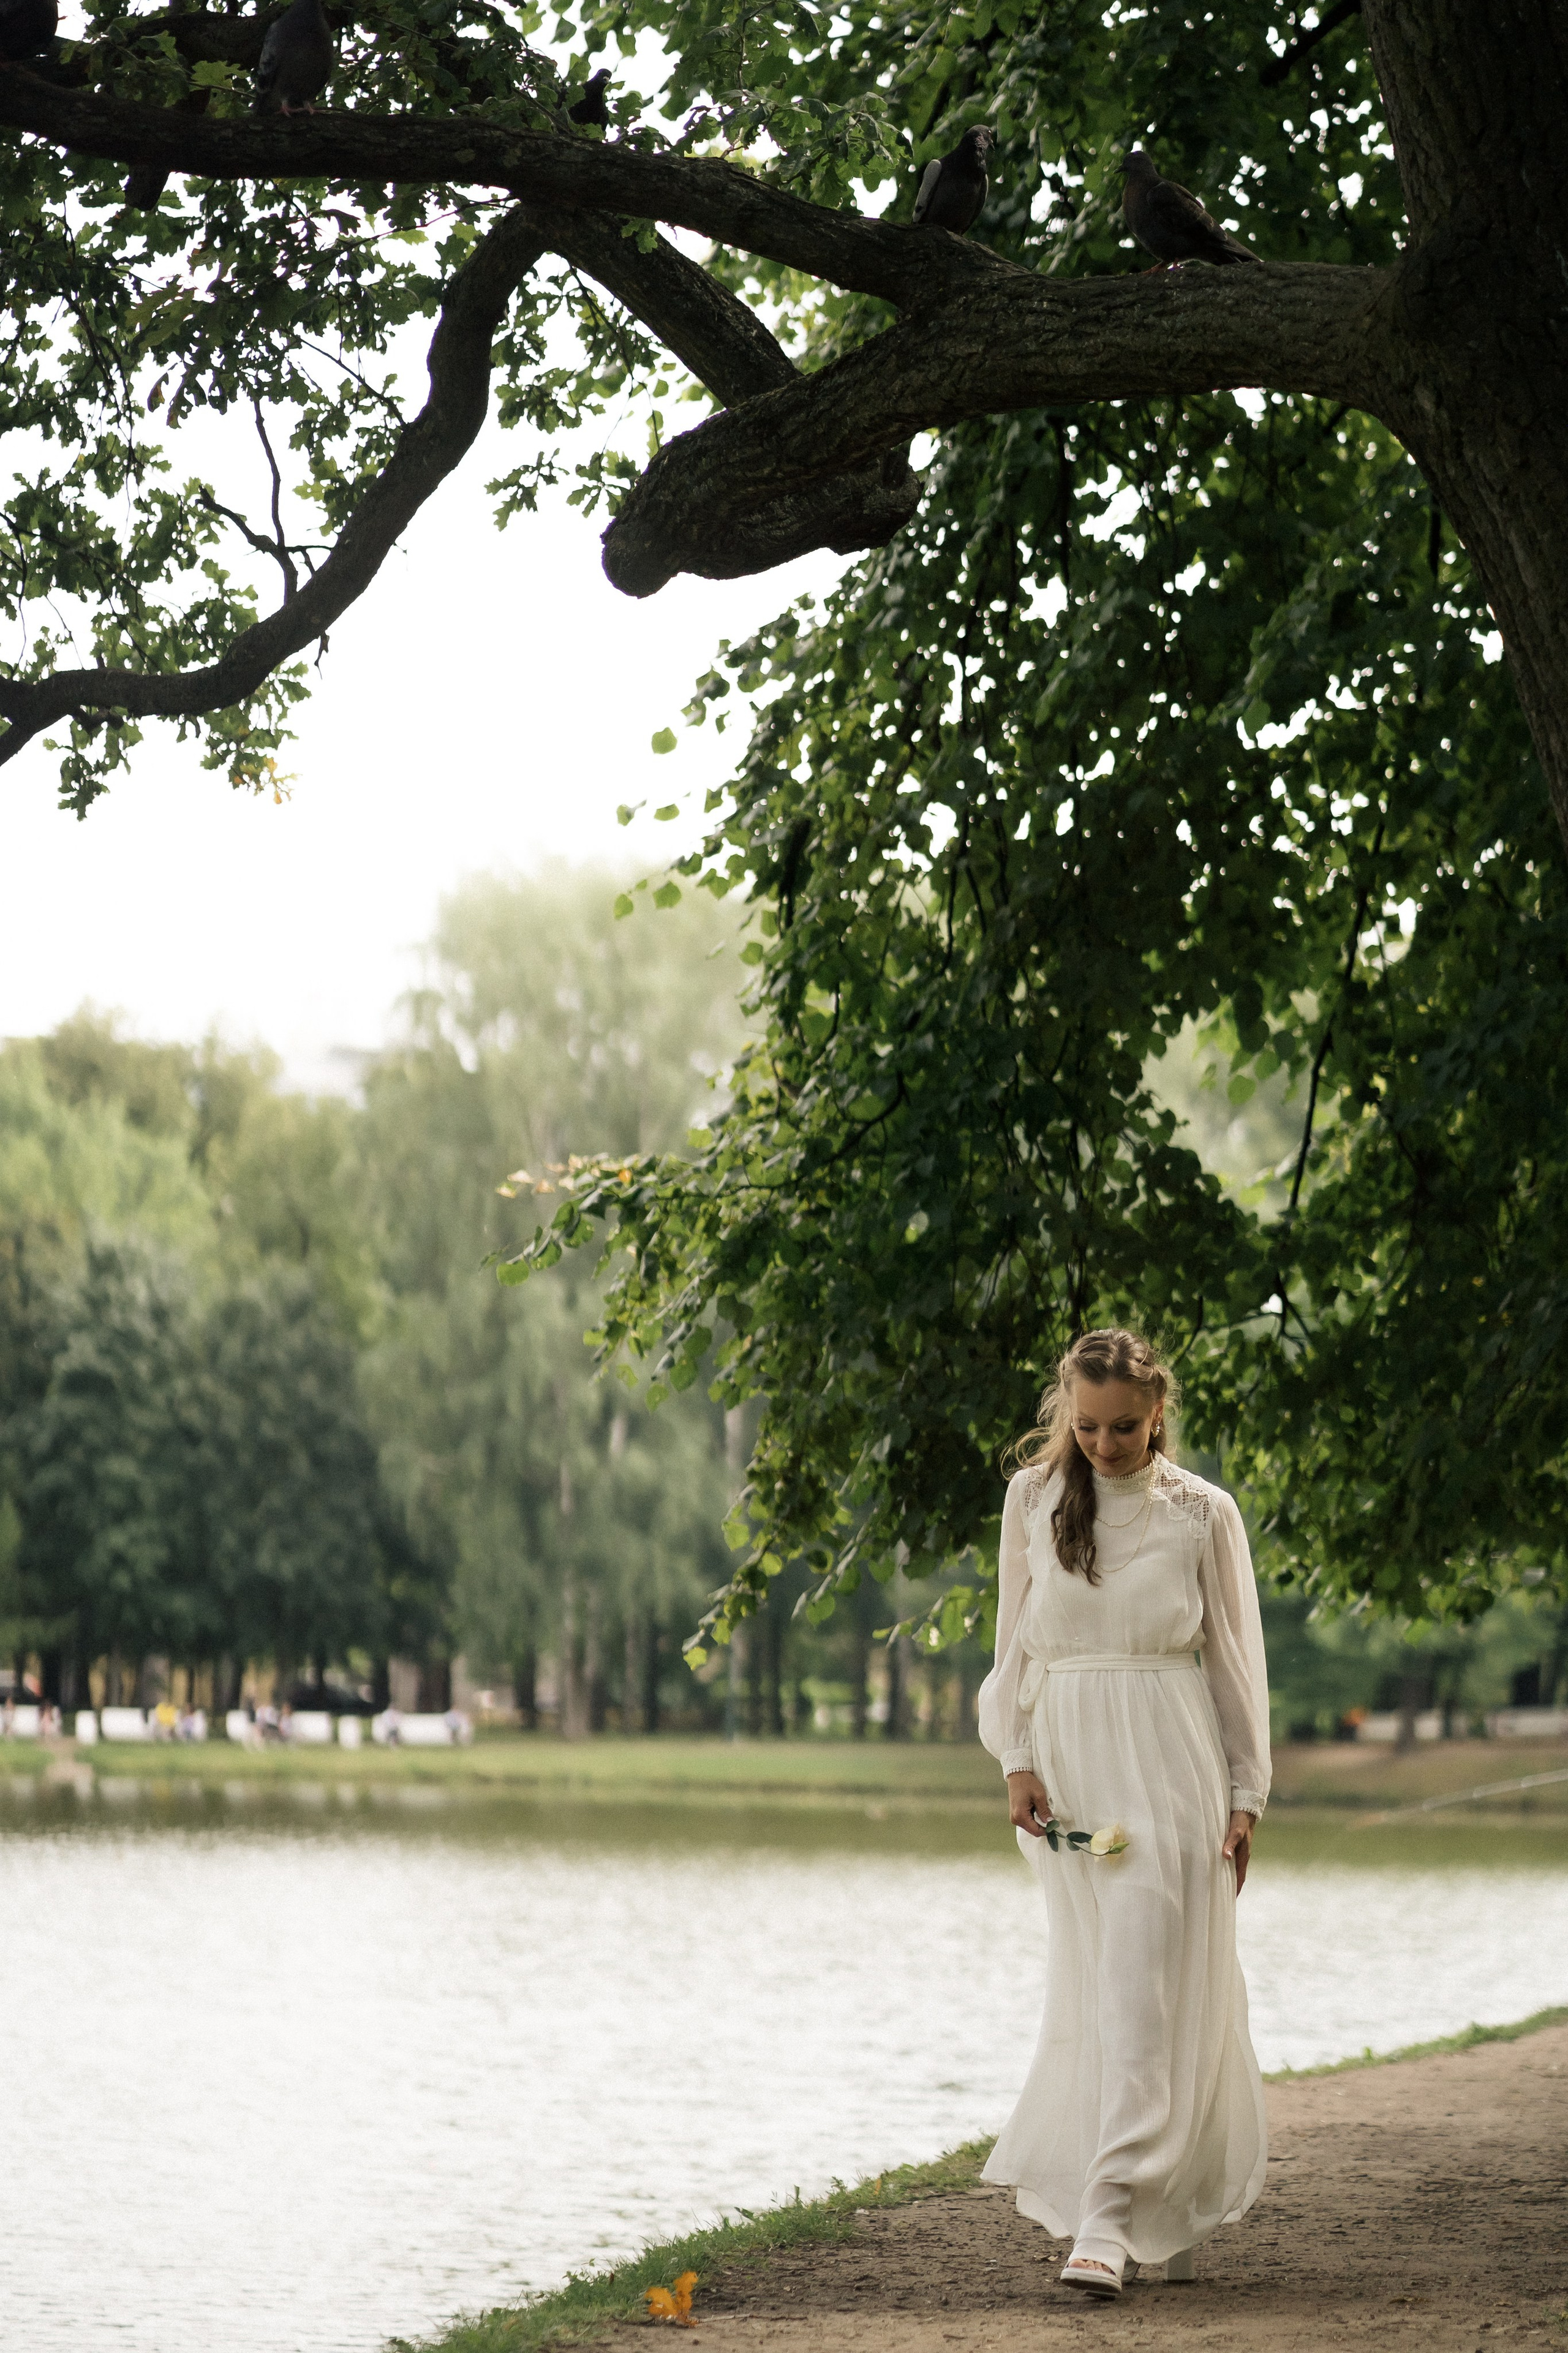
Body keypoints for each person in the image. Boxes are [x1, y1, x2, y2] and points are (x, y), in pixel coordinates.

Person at [978, 1327, 1271, 2300]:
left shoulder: (1203, 1512)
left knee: (1149, 1969)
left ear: (1159, 1415)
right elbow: (1015, 1639)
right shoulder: (1033, 1497)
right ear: (1069, 1412)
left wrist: (1246, 1792)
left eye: (1126, 1428)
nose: (1105, 1444)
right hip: (1070, 1761)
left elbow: (1233, 1661)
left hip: (1172, 1757)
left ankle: (1106, 2215)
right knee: (1109, 1982)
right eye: (1089, 1425)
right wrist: (1015, 1757)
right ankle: (1156, 2200)